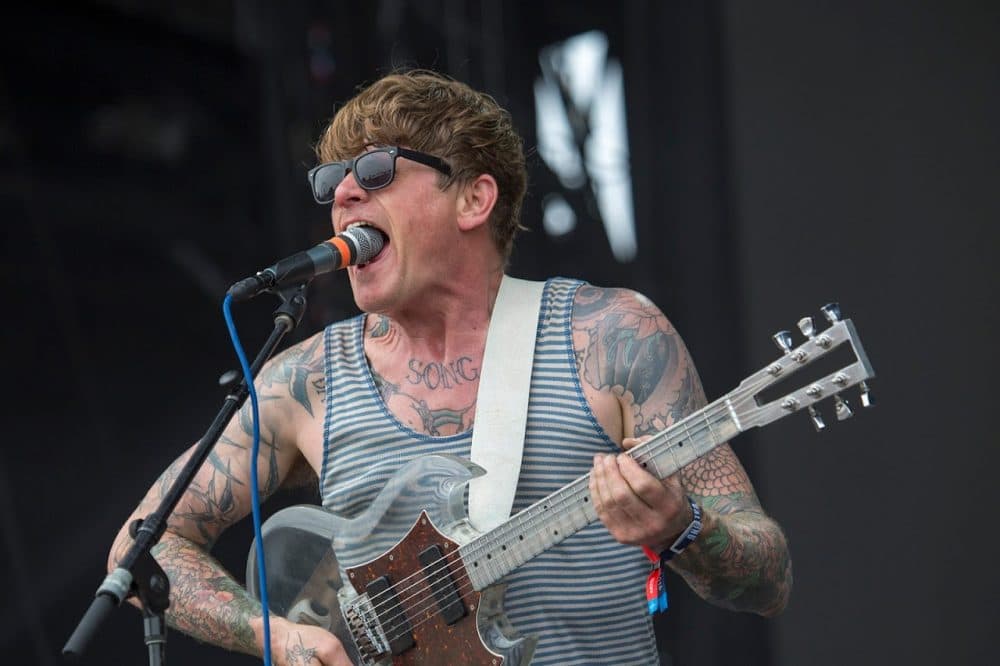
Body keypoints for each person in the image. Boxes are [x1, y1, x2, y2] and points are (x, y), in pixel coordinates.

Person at [109, 68, 791, 665]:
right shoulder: (306, 380)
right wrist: (274, 638)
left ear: (474, 198)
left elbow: (768, 577)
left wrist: (685, 527)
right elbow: (142, 549)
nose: (343, 194)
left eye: (375, 169)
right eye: (331, 179)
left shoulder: (611, 335)